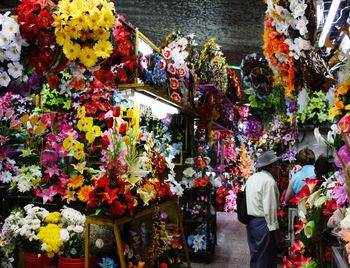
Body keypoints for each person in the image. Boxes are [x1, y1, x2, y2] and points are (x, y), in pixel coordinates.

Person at [246, 150, 285, 268]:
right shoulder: (269, 182)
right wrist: (277, 236)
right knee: (265, 260)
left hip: (251, 223)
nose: (280, 169)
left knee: (256, 257)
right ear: (272, 167)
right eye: (278, 166)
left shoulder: (252, 178)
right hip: (263, 224)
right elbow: (270, 211)